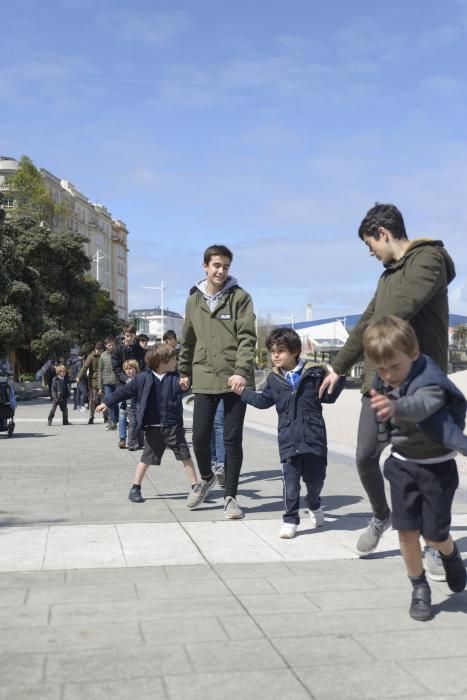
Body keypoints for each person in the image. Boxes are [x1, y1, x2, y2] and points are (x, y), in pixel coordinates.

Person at [320, 203, 456, 577]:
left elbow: (394, 311)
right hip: (379, 382)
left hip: (419, 385)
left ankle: (434, 543)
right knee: (364, 455)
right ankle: (382, 515)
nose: (370, 253)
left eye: (370, 244)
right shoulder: (386, 276)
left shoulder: (429, 261)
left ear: (383, 232)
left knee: (424, 468)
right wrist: (338, 365)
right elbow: (368, 320)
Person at [363, 316, 467, 620]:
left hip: (437, 470)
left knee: (434, 536)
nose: (388, 375)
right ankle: (419, 587)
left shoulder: (431, 381)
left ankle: (450, 554)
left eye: (394, 366)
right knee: (406, 532)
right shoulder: (383, 379)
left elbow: (422, 405)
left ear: (414, 353)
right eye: (381, 368)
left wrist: (396, 407)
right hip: (403, 466)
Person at [236, 327, 345, 537]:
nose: (275, 355)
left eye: (281, 350)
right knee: (290, 482)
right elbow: (263, 401)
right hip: (288, 440)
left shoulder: (315, 373)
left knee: (316, 480)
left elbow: (329, 397)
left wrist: (338, 377)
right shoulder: (274, 380)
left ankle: (314, 502)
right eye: (272, 351)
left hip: (314, 438)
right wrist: (243, 393)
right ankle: (290, 519)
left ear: (295, 351)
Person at [178, 244, 257, 519]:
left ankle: (231, 498)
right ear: (205, 267)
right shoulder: (193, 300)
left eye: (225, 266)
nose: (221, 271)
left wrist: (241, 371)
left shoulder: (240, 298)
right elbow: (187, 339)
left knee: (232, 440)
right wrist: (184, 370)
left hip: (234, 379)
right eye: (216, 266)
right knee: (199, 437)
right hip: (203, 376)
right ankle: (207, 477)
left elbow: (248, 337)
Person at [96, 343, 199, 505]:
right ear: (161, 361)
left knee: (185, 456)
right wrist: (107, 402)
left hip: (173, 426)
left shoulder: (175, 377)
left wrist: (185, 387)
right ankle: (135, 488)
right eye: (173, 360)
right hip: (153, 427)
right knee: (146, 459)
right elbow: (123, 392)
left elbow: (183, 389)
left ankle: (196, 487)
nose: (175, 363)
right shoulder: (142, 378)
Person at [77, 342, 104, 424]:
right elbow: (84, 367)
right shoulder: (91, 356)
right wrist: (79, 377)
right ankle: (91, 417)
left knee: (104, 399)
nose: (99, 352)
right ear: (96, 349)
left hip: (103, 379)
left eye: (100, 350)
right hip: (93, 380)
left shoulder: (104, 355)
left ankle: (106, 416)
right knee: (92, 400)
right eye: (98, 350)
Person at [122, 359, 144, 450]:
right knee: (133, 424)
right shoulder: (127, 382)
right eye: (126, 369)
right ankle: (131, 443)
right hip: (130, 406)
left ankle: (140, 442)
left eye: (131, 368)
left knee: (140, 424)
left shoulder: (140, 380)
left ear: (136, 369)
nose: (129, 371)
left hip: (139, 405)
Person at [98, 337, 118, 431]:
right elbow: (100, 371)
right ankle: (113, 422)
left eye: (112, 345)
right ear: (106, 345)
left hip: (117, 382)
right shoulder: (102, 356)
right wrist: (99, 386)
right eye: (109, 345)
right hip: (107, 383)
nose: (111, 346)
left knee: (118, 401)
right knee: (109, 403)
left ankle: (119, 421)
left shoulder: (118, 353)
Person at [211, 400, 225, 487]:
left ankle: (220, 464)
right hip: (206, 390)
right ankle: (216, 463)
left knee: (218, 422)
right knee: (210, 424)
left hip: (225, 389)